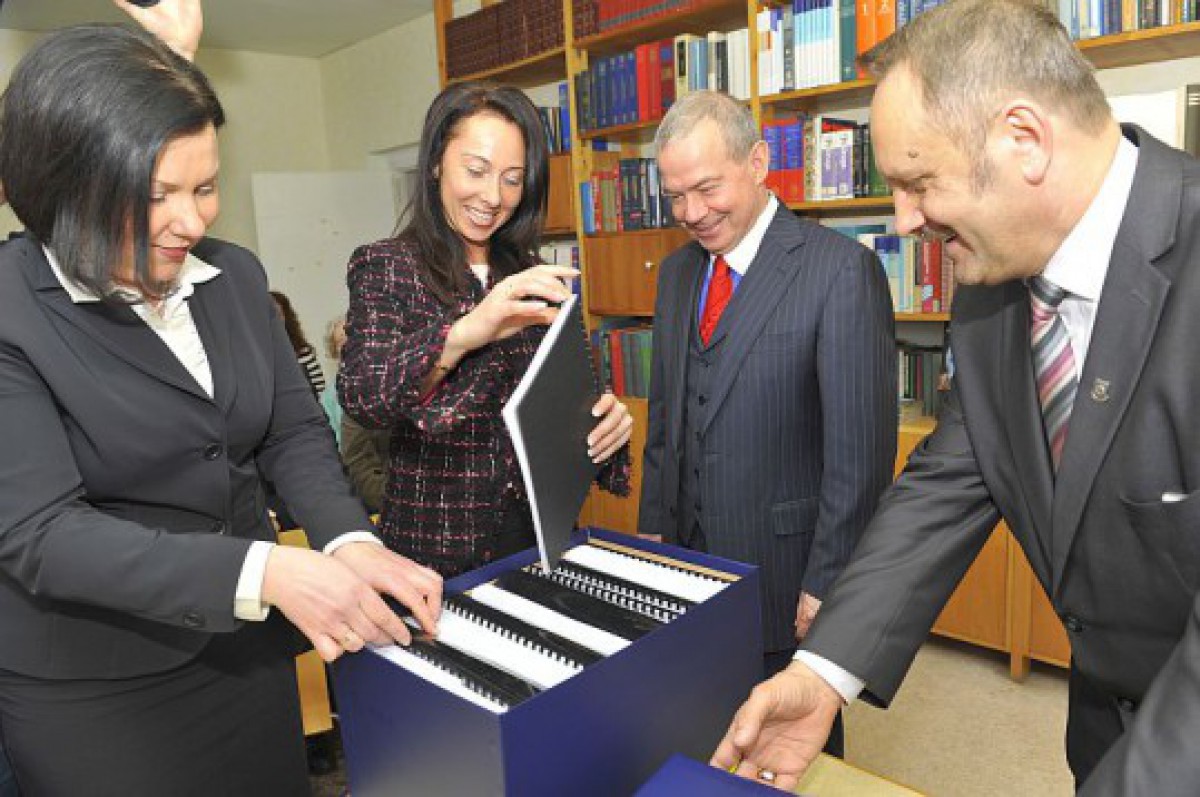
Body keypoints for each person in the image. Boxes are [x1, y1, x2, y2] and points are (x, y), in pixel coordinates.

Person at [712, 0, 1200, 792]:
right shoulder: (989, 290)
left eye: (918, 183)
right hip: (1104, 729)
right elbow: (944, 486)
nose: (905, 221)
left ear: (1024, 140)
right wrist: (821, 672)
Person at [0, 23, 443, 795]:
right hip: (97, 688)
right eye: (156, 196)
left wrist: (346, 539)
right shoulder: (14, 309)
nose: (193, 221)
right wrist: (263, 568)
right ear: (69, 187)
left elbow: (292, 430)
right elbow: (42, 532)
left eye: (205, 188)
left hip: (244, 653)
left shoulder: (233, 277)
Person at [638, 90, 897, 759]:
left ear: (757, 163)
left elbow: (860, 453)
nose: (692, 213)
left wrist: (829, 580)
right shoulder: (675, 275)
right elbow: (666, 417)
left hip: (785, 571)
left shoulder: (840, 270)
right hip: (688, 567)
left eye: (707, 189)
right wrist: (652, 531)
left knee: (790, 746)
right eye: (675, 197)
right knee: (700, 734)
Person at [338, 82, 633, 577]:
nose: (494, 197)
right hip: (432, 558)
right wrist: (468, 330)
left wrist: (604, 425)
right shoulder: (388, 266)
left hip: (537, 540)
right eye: (476, 171)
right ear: (436, 162)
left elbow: (561, 403)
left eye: (512, 179)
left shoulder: (533, 275)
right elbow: (364, 395)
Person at [271, 289, 326, 397]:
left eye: (278, 315)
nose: (274, 321)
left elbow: (320, 391)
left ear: (286, 317)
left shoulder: (302, 352)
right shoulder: (255, 355)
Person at [319, 313, 348, 444]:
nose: (348, 344)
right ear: (335, 351)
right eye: (341, 341)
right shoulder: (328, 397)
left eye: (352, 337)